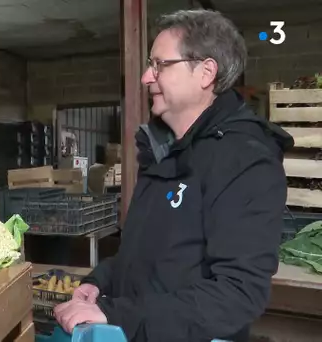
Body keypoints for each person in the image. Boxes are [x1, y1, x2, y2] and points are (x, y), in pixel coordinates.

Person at [54, 9, 294, 342]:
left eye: (160, 65)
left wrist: (117, 314)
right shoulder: (164, 151)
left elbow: (236, 295)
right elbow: (142, 255)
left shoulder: (244, 160)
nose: (146, 77)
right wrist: (99, 282)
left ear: (206, 72)